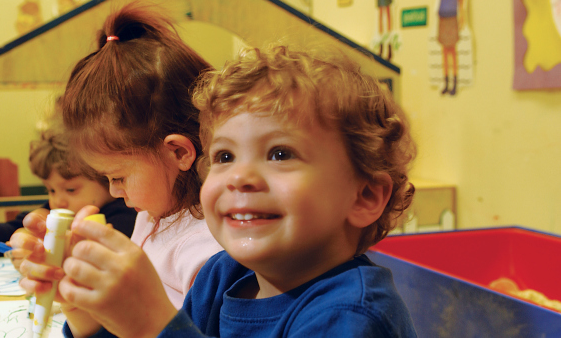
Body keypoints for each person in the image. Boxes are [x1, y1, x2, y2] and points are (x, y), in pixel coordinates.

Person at [24, 43, 419, 337]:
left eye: (280, 153)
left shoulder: (351, 316)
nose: (239, 176)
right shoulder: (222, 276)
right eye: (225, 156)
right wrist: (85, 311)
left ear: (364, 196)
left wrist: (151, 324)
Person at [15, 2, 224, 336]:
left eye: (118, 176)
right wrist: (78, 304)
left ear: (178, 152)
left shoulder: (210, 255)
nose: (113, 191)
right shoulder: (153, 216)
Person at [0, 111, 137, 262]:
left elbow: (93, 256)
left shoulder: (124, 217)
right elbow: (12, 231)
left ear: (107, 179)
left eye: (71, 190)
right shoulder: (55, 211)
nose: (57, 200)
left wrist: (41, 250)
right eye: (51, 190)